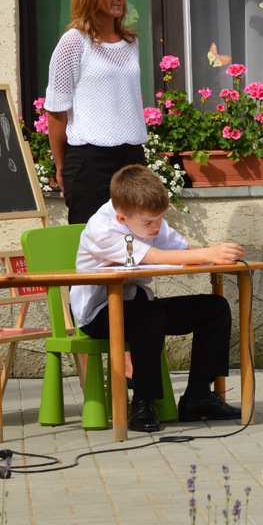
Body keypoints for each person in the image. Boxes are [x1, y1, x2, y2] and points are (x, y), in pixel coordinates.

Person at [72, 165, 244, 431]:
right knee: (148, 315)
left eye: (160, 218)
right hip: (98, 315)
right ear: (122, 218)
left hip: (139, 306)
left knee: (214, 307)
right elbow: (156, 257)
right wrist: (208, 253)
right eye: (148, 223)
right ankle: (143, 403)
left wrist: (219, 255)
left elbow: (182, 249)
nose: (156, 226)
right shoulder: (101, 229)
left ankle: (198, 396)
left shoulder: (147, 219)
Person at [44, 0, 148, 226]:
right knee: (92, 243)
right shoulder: (73, 42)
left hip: (133, 159)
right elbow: (56, 110)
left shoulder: (130, 42)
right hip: (90, 161)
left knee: (137, 238)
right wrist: (61, 167)